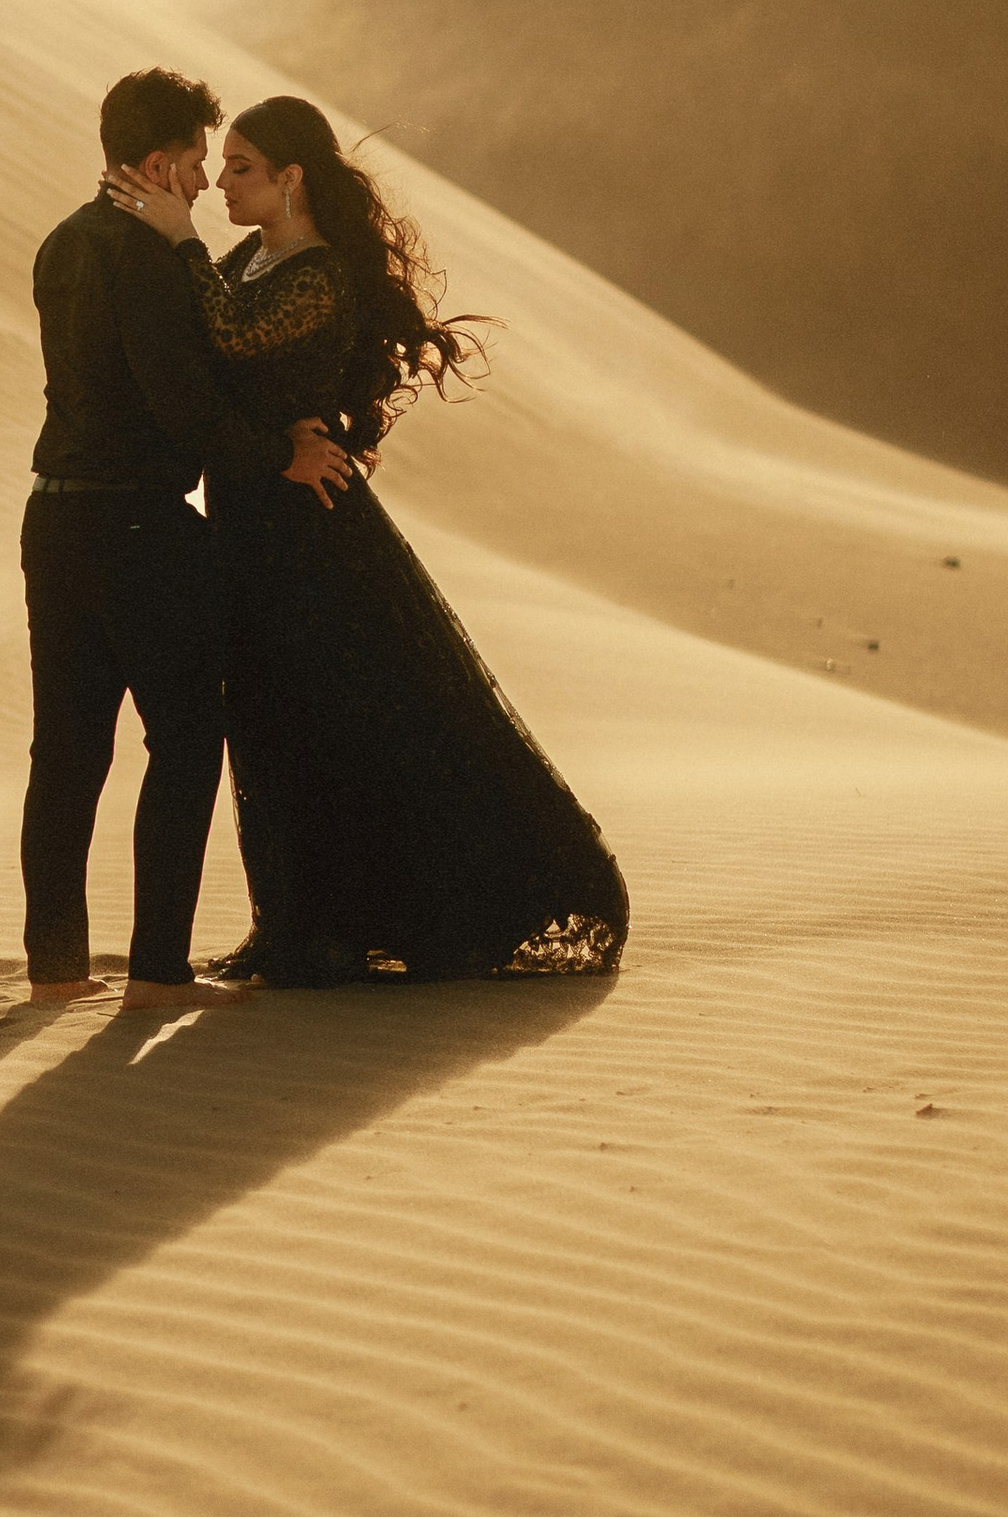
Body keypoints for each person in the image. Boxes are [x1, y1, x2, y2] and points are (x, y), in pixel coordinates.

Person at [108, 94, 627, 986]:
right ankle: (319, 920)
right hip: (255, 519)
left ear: (292, 177)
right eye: (220, 166)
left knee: (352, 714)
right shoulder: (255, 252)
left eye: (241, 169)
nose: (222, 184)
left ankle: (414, 912)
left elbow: (229, 335)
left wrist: (176, 238)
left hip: (309, 535)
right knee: (280, 723)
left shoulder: (318, 272)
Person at [24, 69, 352, 1011]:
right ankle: (158, 974)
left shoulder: (62, 242)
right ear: (162, 163)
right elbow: (185, 405)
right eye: (203, 160)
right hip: (137, 526)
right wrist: (276, 456)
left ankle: (55, 970)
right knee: (184, 739)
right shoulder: (147, 256)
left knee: (68, 751)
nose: (208, 181)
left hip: (52, 519)